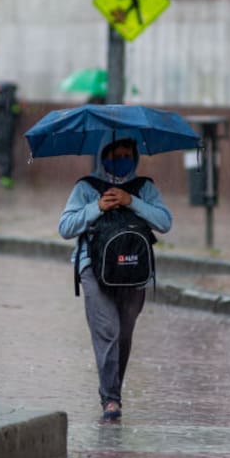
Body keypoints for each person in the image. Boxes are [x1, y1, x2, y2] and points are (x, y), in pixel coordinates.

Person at [58, 136, 171, 421]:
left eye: (126, 155)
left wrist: (131, 201)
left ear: (134, 158)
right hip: (93, 270)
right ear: (103, 155)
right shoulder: (85, 187)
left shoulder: (145, 188)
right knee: (107, 330)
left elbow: (164, 222)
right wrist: (97, 206)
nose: (120, 160)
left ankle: (112, 391)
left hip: (134, 271)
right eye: (114, 155)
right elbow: (65, 227)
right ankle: (111, 399)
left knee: (123, 334)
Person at [0, 82, 21, 188]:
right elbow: (17, 112)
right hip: (10, 130)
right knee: (7, 152)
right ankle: (7, 177)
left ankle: (5, 177)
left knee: (3, 152)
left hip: (2, 130)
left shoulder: (3, 98)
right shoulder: (13, 98)